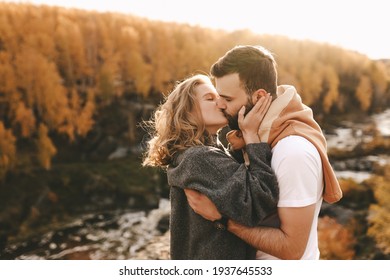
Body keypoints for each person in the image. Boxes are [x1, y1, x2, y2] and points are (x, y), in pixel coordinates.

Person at [186, 45, 343, 260]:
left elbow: (292, 249)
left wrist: (222, 220)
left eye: (228, 99)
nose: (220, 105)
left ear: (260, 97)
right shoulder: (262, 138)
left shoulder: (292, 152)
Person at [142, 74, 278, 259]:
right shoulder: (200, 158)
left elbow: (229, 187)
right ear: (187, 111)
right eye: (210, 98)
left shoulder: (192, 154)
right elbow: (262, 198)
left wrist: (240, 149)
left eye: (220, 97)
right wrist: (252, 136)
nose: (221, 103)